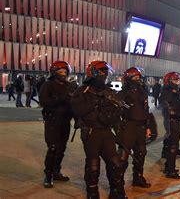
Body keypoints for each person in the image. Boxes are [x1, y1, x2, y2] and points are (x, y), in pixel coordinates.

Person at [72, 61, 127, 198]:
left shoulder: (108, 90)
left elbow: (115, 114)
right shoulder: (83, 90)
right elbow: (77, 110)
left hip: (106, 130)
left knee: (115, 162)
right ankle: (92, 193)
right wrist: (95, 101)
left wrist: (119, 132)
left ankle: (116, 191)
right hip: (91, 131)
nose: (105, 74)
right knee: (93, 165)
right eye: (102, 72)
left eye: (106, 72)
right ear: (94, 73)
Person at [39, 61, 75, 188]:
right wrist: (60, 99)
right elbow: (43, 101)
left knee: (61, 148)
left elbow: (74, 103)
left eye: (65, 72)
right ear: (54, 72)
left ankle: (56, 171)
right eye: (60, 72)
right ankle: (48, 175)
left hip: (65, 121)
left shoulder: (69, 85)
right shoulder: (48, 85)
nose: (63, 74)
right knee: (53, 148)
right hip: (52, 121)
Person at [117, 67, 151, 188]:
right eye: (134, 77)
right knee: (123, 155)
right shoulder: (123, 93)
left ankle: (138, 177)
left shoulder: (143, 92)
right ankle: (118, 181)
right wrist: (126, 106)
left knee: (141, 153)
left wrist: (148, 127)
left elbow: (146, 110)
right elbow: (118, 109)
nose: (137, 79)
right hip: (128, 126)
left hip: (141, 127)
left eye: (138, 77)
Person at [159, 72, 180, 179]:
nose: (178, 82)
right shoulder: (168, 92)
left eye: (179, 80)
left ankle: (168, 166)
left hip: (175, 121)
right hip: (171, 121)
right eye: (175, 80)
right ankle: (170, 170)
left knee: (172, 143)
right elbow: (167, 109)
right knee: (173, 145)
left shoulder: (176, 91)